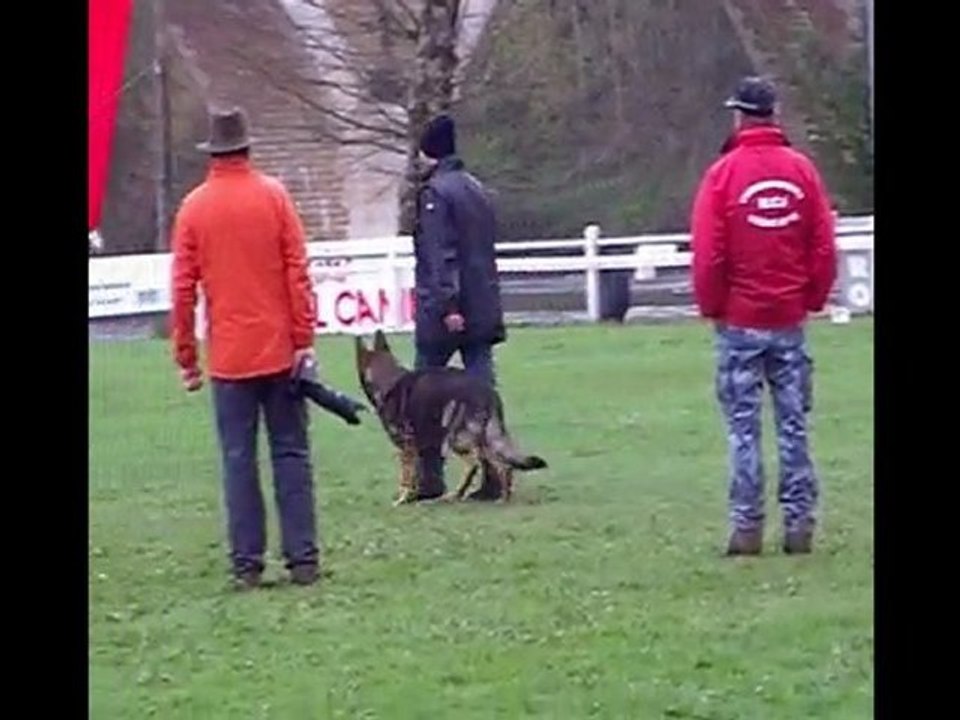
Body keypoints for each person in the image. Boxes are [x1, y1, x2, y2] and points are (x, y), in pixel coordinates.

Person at [170, 107, 321, 589]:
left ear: (212, 154)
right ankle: (303, 558)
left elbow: (181, 289)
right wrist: (303, 339)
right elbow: (298, 271)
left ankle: (247, 563)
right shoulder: (275, 197)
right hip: (280, 351)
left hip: (230, 358)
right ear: (248, 148)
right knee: (291, 453)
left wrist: (187, 357)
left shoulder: (194, 208)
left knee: (238, 459)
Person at [690, 77, 837, 556]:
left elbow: (709, 254)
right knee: (794, 424)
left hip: (739, 322)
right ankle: (799, 524)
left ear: (739, 116)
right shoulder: (802, 172)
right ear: (774, 115)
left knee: (743, 427)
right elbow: (822, 247)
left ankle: (747, 526)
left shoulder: (722, 175)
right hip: (788, 321)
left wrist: (714, 306)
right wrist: (809, 299)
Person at [411, 113, 507, 502]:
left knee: (422, 394)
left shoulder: (436, 195)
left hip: (448, 312)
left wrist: (448, 303)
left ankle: (429, 476)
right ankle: (494, 471)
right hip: (482, 305)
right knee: (483, 393)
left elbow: (441, 255)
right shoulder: (476, 189)